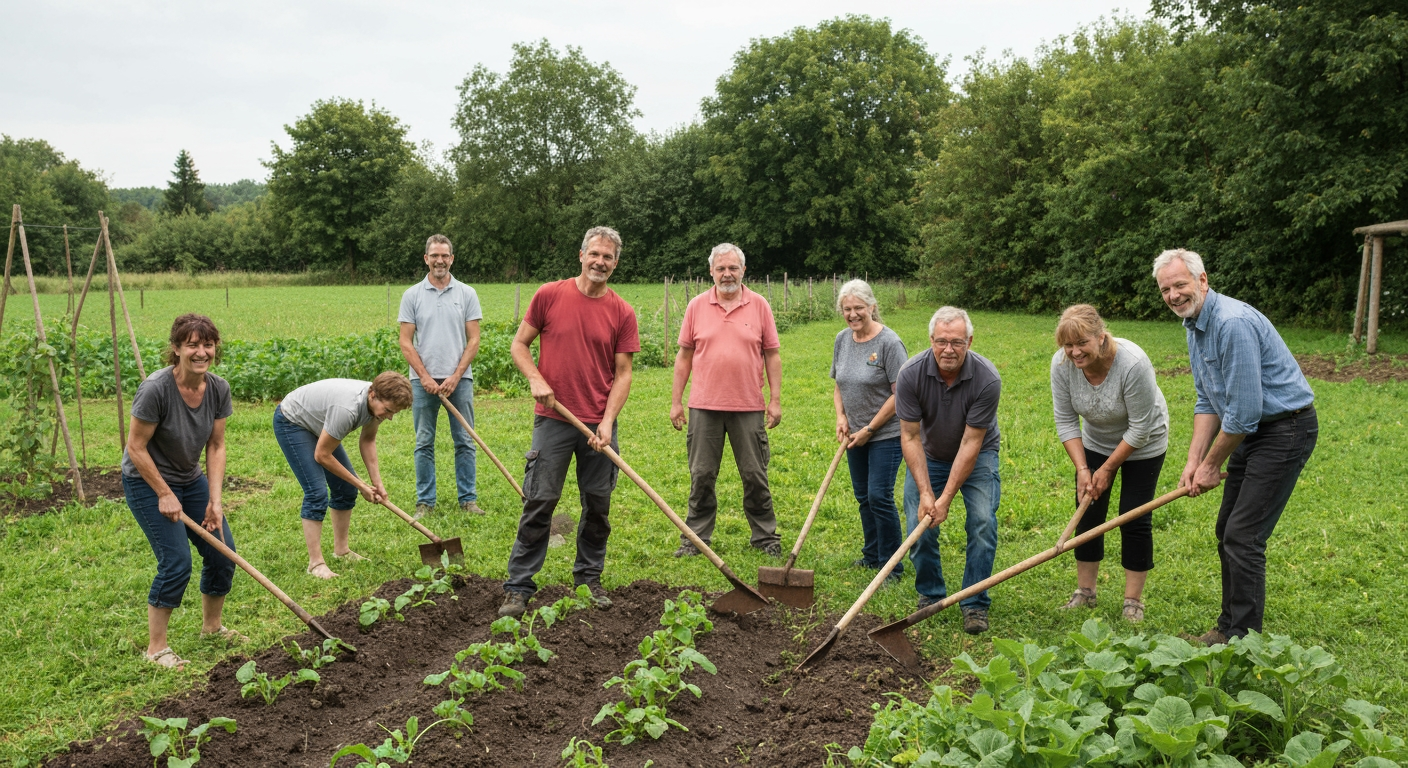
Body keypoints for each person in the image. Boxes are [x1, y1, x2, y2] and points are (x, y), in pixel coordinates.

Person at [1153, 248, 1318, 644]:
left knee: (1243, 535)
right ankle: (1228, 626)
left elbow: (1243, 414)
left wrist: (1212, 465)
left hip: (1283, 431)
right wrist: (1194, 461)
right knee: (1227, 528)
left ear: (1202, 280)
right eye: (1165, 289)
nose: (1173, 295)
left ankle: (1243, 638)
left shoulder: (1232, 324)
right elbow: (1209, 399)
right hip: (1248, 431)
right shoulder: (1195, 324)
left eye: (1180, 284)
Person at [500, 226, 640, 617]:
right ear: (581, 255)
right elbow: (519, 344)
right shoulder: (549, 295)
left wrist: (608, 422)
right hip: (554, 419)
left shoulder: (621, 311)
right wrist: (535, 378)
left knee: (597, 505)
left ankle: (588, 579)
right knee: (540, 500)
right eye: (594, 254)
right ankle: (518, 587)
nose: (600, 262)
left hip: (598, 425)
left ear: (615, 263)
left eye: (608, 257)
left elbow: (624, 372)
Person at [123, 314, 240, 668]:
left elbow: (216, 446)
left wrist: (215, 502)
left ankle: (212, 628)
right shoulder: (156, 389)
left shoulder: (218, 388)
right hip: (147, 480)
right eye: (192, 345)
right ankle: (156, 648)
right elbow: (135, 447)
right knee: (176, 562)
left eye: (207, 344)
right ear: (176, 349)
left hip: (190, 479)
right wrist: (163, 492)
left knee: (223, 553)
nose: (201, 352)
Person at [1050, 304, 1169, 623]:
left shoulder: (1132, 364)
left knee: (1134, 516)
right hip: (1097, 441)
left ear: (1101, 337)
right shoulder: (1062, 366)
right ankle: (1086, 592)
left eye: (1081, 343)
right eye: (1068, 345)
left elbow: (1141, 428)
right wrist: (1084, 469)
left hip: (1145, 443)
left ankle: (1133, 601)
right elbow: (1065, 420)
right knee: (1088, 510)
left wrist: (1107, 468)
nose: (1074, 352)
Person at [669, 243, 783, 558]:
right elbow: (684, 357)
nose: (727, 274)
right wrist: (677, 401)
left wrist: (774, 400)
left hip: (748, 406)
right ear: (711, 272)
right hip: (704, 406)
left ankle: (765, 537)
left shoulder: (759, 305)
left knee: (754, 473)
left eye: (733, 268)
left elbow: (772, 355)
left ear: (743, 270)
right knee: (702, 474)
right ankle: (695, 539)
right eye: (721, 268)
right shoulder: (696, 306)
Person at [898, 306, 1002, 635]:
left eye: (957, 342)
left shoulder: (987, 378)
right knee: (920, 521)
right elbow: (910, 436)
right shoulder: (910, 374)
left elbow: (972, 443)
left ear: (969, 341)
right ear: (931, 340)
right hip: (928, 452)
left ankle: (973, 601)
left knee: (983, 522)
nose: (948, 349)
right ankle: (930, 594)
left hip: (979, 453)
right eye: (941, 341)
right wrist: (928, 494)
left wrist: (945, 498)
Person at [274, 372, 413, 579]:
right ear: (372, 395)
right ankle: (315, 564)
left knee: (345, 489)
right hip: (293, 421)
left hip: (319, 421)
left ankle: (341, 551)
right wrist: (362, 486)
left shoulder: (376, 406)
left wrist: (377, 483)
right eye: (388, 411)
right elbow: (322, 455)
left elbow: (367, 440)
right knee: (316, 492)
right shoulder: (347, 409)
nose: (390, 417)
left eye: (394, 413)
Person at [398, 234, 485, 518]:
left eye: (445, 255)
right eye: (434, 255)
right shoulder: (412, 295)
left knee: (465, 440)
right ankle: (425, 502)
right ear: (426, 258)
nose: (440, 260)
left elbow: (473, 340)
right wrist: (423, 376)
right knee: (424, 441)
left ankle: (468, 500)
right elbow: (406, 341)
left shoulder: (466, 293)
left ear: (452, 258)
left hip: (459, 380)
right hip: (422, 383)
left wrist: (456, 376)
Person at [831, 279, 908, 579]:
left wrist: (871, 429)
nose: (852, 314)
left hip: (885, 433)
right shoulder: (842, 339)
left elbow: (900, 393)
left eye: (859, 308)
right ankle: (873, 555)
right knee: (863, 496)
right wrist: (841, 417)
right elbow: (839, 383)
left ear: (872, 307)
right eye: (847, 309)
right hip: (854, 433)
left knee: (879, 496)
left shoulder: (889, 343)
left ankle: (891, 566)